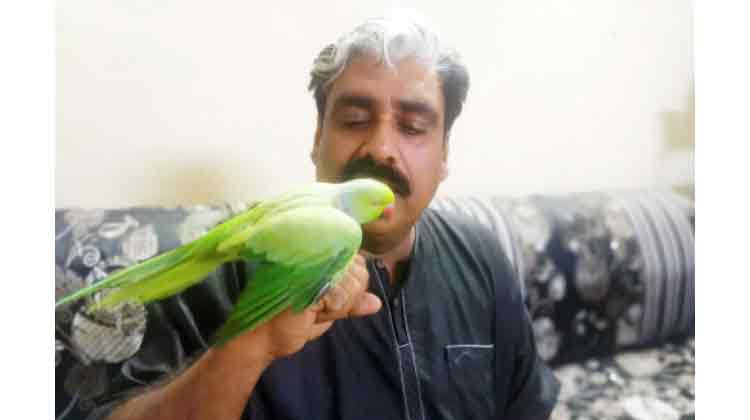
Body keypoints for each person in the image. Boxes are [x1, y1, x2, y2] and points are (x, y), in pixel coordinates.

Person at [102, 11, 560, 420]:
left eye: (414, 126)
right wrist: (252, 345)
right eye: (355, 120)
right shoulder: (221, 267)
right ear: (317, 139)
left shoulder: (483, 255)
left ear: (444, 157)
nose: (381, 148)